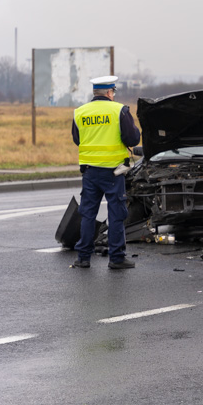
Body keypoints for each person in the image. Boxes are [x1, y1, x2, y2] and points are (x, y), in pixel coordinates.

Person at [71, 75, 141, 269]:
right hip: (113, 171)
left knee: (88, 214)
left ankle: (83, 258)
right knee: (116, 213)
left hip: (90, 171)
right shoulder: (119, 110)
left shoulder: (80, 112)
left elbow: (78, 139)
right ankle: (117, 258)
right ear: (110, 92)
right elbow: (133, 138)